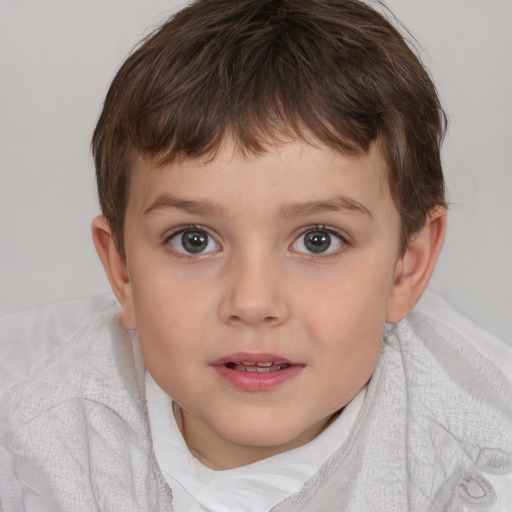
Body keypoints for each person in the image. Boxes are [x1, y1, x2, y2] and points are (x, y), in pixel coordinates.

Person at [1, 0, 511, 510]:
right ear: (123, 272)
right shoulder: (33, 434)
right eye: (193, 240)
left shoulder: (477, 462)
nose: (252, 301)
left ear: (407, 267)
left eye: (318, 240)